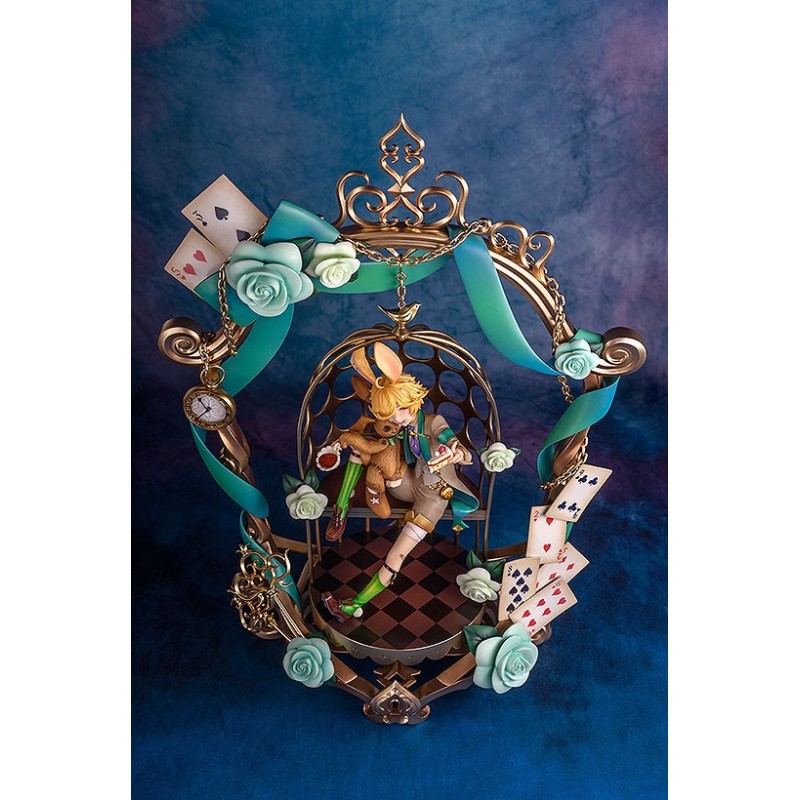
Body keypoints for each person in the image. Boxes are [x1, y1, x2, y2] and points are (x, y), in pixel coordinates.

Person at [321, 342, 478, 622]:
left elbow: (455, 445)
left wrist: (457, 452)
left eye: (398, 412)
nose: (395, 420)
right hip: (409, 483)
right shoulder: (404, 426)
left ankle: (353, 605)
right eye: (388, 414)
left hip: (432, 499)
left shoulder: (432, 422)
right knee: (361, 448)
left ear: (410, 402)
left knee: (395, 556)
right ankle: (341, 508)